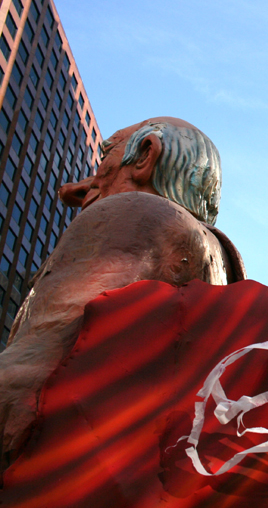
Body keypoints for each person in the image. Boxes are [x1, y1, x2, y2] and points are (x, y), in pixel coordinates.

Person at [0, 117, 244, 475]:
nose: (76, 188)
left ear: (146, 155)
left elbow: (35, 372)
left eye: (107, 154)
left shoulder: (135, 214)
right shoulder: (221, 258)